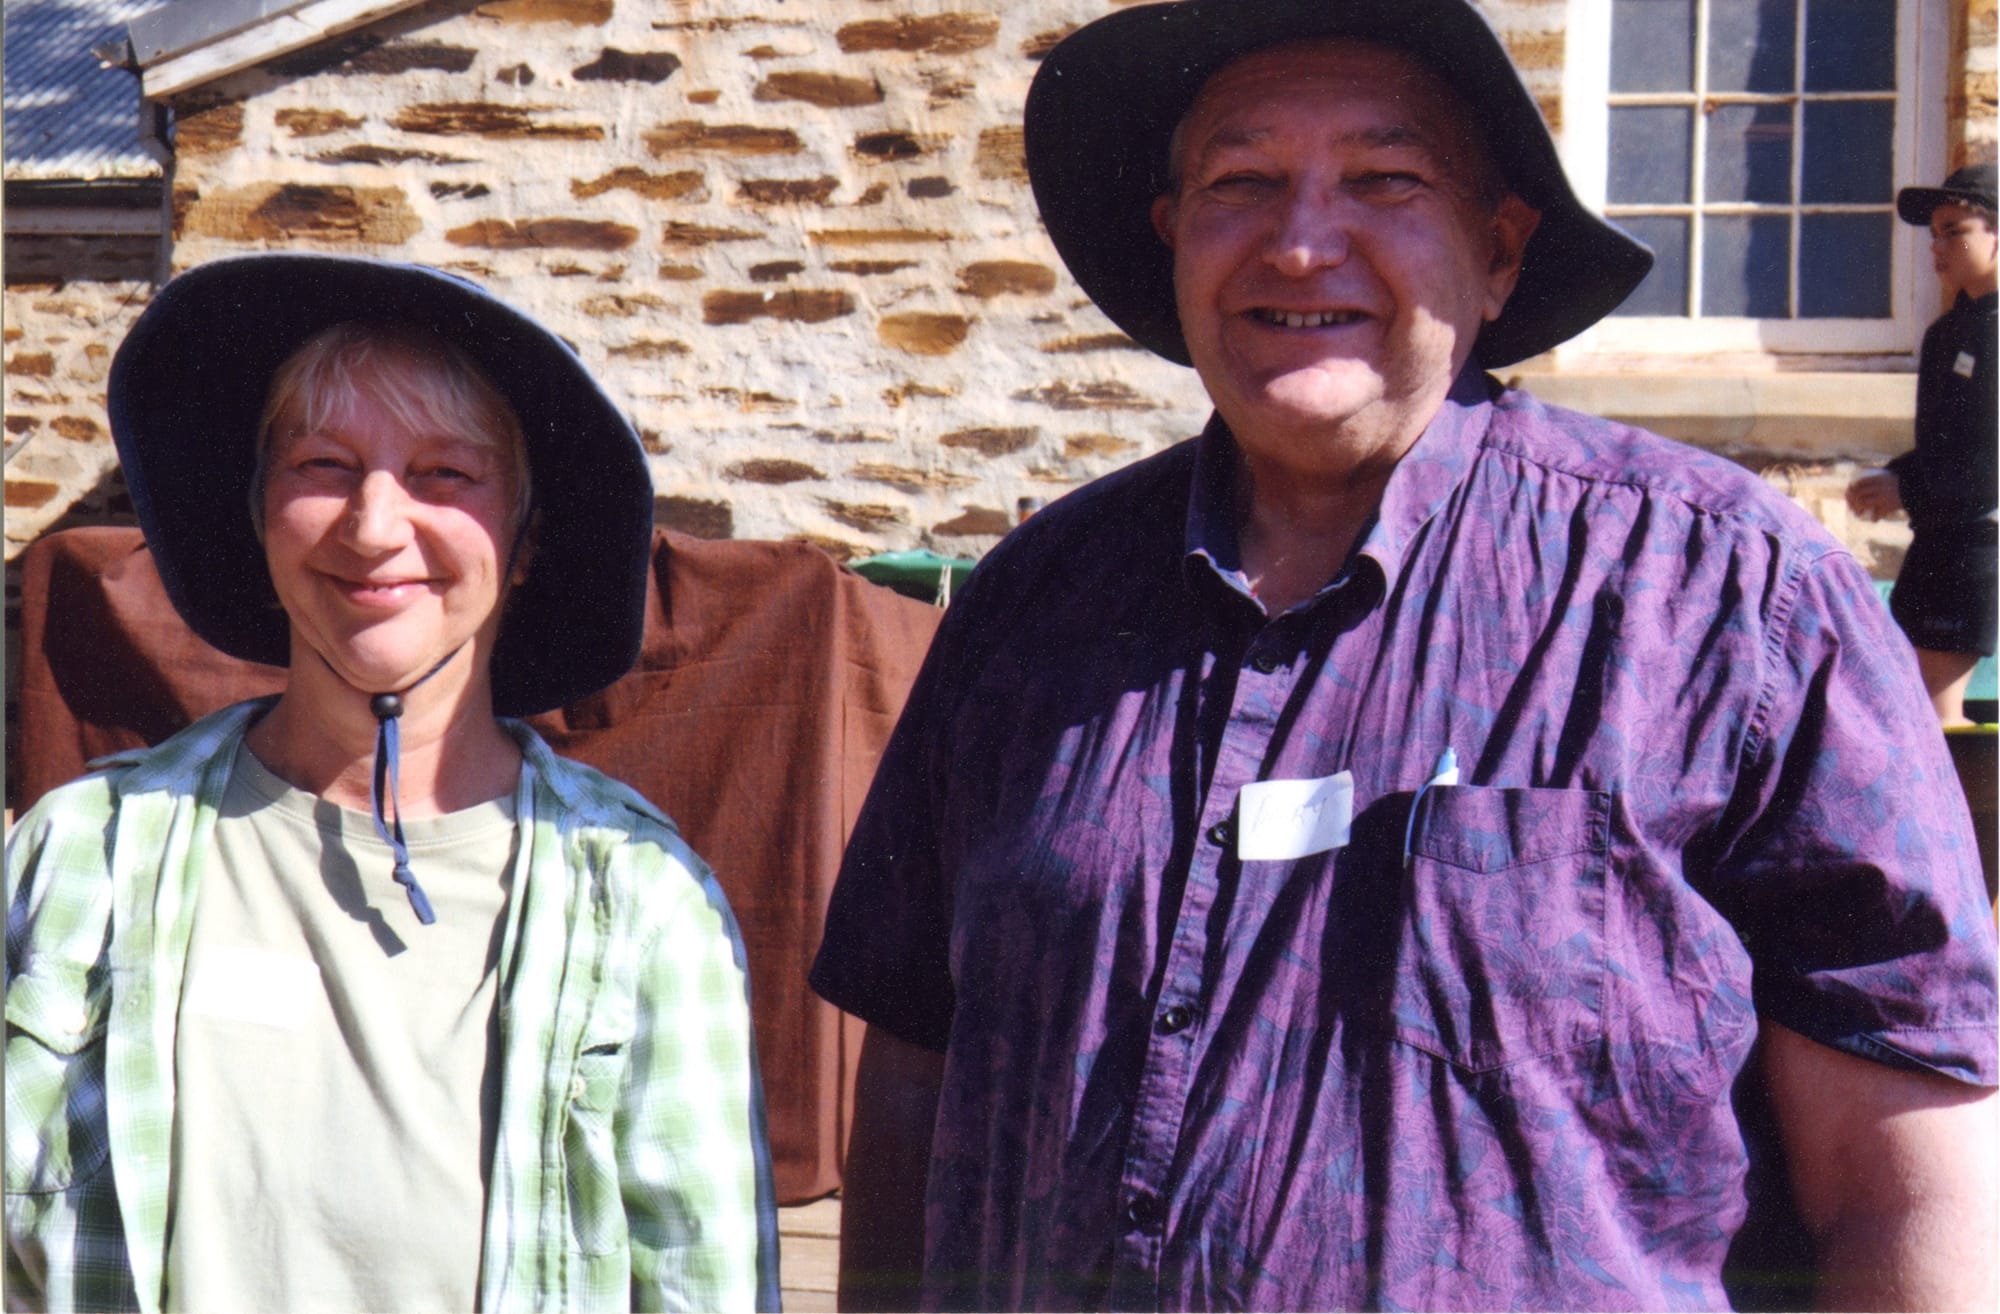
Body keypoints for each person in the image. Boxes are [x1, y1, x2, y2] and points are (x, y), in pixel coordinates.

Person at [809, 1, 1999, 1309]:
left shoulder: (1729, 598)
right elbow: (916, 1082)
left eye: (1385, 178)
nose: (1303, 239)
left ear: (1497, 255)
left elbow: (1913, 1179)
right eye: (1241, 181)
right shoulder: (1027, 610)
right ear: (1174, 241)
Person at [4, 254, 779, 1313]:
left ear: (522, 539)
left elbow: (707, 1286)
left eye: (444, 476)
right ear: (256, 510)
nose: (374, 528)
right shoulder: (77, 858)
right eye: (323, 465)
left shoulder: (643, 908)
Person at [1847, 162, 1998, 725]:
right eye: (1934, 232)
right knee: (1907, 708)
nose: (1938, 246)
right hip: (1936, 545)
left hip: (1980, 546)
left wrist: (1904, 484)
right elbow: (1948, 444)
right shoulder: (1947, 334)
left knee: (1938, 716)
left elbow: (1991, 465)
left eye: (1955, 230)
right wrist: (1895, 478)